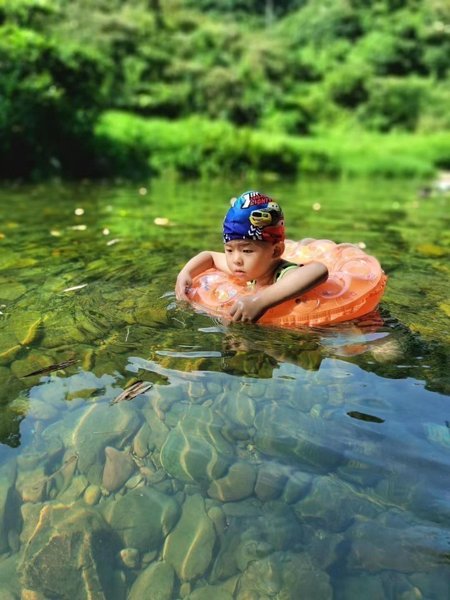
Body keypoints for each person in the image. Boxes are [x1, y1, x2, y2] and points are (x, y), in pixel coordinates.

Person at [175, 190, 328, 323]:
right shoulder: (247, 269)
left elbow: (318, 270)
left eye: (247, 251)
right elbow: (210, 256)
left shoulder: (282, 274)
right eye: (229, 250)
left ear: (275, 251)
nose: (236, 259)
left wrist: (260, 301)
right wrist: (186, 273)